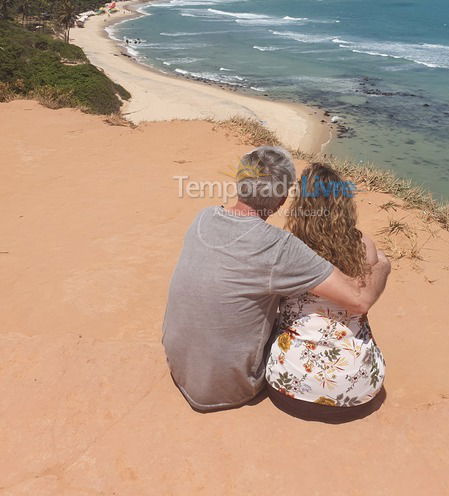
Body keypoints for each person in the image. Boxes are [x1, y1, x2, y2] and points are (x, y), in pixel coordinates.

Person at [162, 146, 391, 412]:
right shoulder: (279, 247)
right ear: (282, 200)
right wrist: (382, 266)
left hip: (180, 367)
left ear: (241, 184)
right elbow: (359, 300)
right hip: (231, 387)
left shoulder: (202, 218)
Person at [265, 163, 387, 422]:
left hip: (289, 386)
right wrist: (383, 264)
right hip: (358, 391)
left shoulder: (290, 248)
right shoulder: (363, 245)